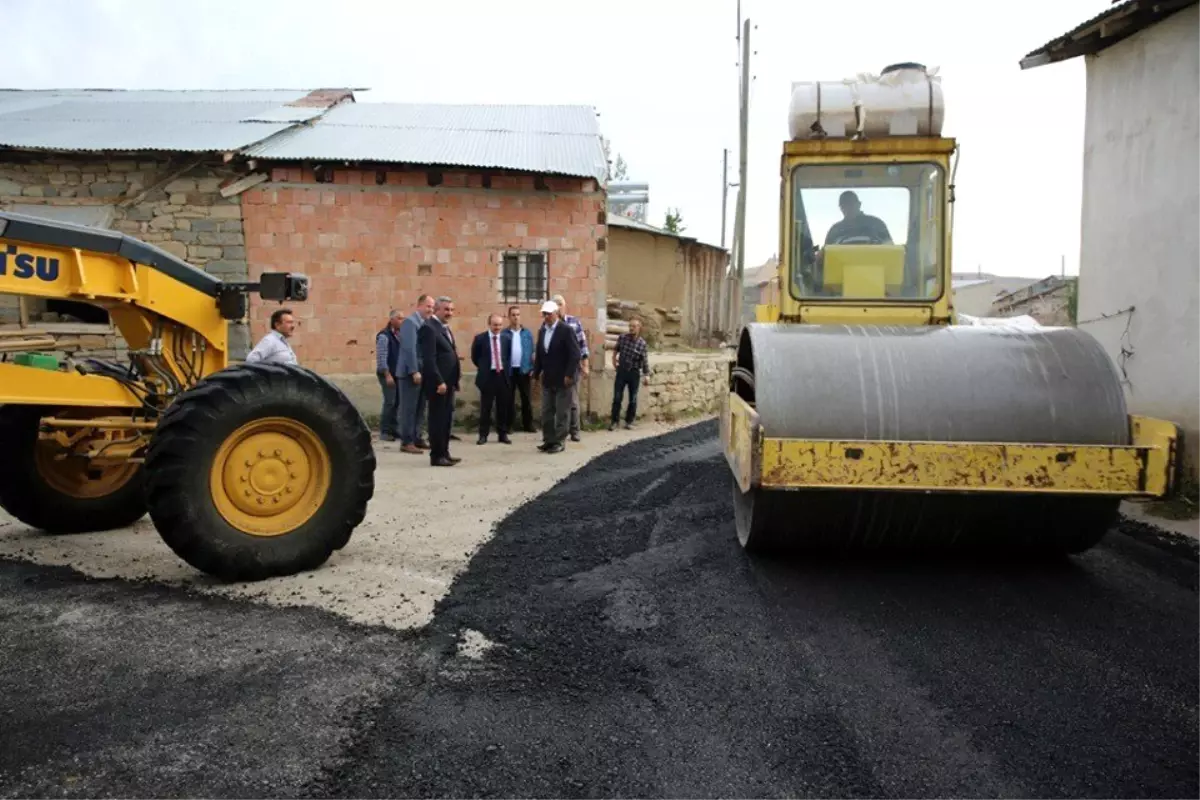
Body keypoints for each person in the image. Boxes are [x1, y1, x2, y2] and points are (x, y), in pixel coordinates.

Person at [418, 296, 461, 467]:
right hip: (438, 384)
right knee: (437, 420)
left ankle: (445, 452)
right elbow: (429, 359)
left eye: (451, 310)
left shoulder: (444, 328)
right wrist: (438, 381)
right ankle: (436, 456)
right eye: (446, 309)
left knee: (446, 420)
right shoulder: (429, 328)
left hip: (448, 382)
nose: (449, 313)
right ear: (436, 309)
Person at [532, 299, 580, 454]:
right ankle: (548, 440)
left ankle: (559, 441)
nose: (546, 317)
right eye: (544, 314)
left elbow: (575, 355)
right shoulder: (543, 330)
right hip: (548, 378)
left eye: (548, 314)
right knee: (546, 411)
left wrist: (569, 374)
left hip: (563, 379)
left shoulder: (566, 330)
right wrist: (536, 373)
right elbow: (540, 354)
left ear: (556, 314)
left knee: (562, 412)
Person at [398, 293, 435, 454]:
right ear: (419, 306)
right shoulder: (410, 323)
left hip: (421, 372)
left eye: (432, 307)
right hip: (410, 374)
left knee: (420, 407)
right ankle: (406, 441)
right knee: (409, 408)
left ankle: (417, 437)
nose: (430, 310)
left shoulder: (425, 324)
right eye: (428, 306)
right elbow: (409, 348)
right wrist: (414, 371)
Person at [551, 293, 589, 442]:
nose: (558, 307)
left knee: (572, 401)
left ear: (565, 306)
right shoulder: (549, 324)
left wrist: (585, 365)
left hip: (572, 368)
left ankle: (575, 431)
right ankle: (560, 431)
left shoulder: (574, 322)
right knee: (557, 401)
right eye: (556, 304)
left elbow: (583, 345)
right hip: (555, 369)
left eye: (560, 304)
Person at [470, 313, 512, 445]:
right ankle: (483, 435)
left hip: (502, 376)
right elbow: (475, 357)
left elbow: (507, 356)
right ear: (489, 324)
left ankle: (502, 434)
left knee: (503, 407)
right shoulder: (480, 339)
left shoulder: (506, 338)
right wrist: (483, 368)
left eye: (500, 325)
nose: (497, 327)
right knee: (485, 407)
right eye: (495, 325)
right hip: (487, 376)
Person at [609, 316, 650, 430]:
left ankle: (629, 421)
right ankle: (614, 421)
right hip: (621, 371)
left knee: (633, 398)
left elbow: (645, 361)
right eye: (630, 326)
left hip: (634, 373)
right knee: (617, 397)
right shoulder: (622, 338)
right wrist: (613, 360)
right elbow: (616, 350)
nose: (631, 328)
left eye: (634, 326)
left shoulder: (642, 344)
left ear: (639, 328)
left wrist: (647, 375)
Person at [502, 304, 535, 433]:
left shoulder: (527, 333)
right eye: (513, 315)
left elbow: (532, 351)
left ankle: (528, 425)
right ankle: (509, 425)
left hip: (524, 370)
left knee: (526, 398)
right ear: (509, 317)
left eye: (518, 315)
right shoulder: (504, 333)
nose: (516, 317)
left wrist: (532, 368)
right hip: (509, 371)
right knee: (508, 399)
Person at [374, 309, 404, 441]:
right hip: (387, 374)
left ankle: (394, 428)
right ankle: (385, 431)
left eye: (403, 318)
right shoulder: (384, 336)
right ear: (392, 320)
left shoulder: (400, 335)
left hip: (398, 373)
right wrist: (387, 375)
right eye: (399, 318)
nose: (402, 321)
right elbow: (382, 357)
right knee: (390, 402)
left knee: (398, 402)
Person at [824, 190, 893, 245]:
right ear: (841, 208)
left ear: (859, 204)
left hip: (873, 262)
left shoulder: (877, 224)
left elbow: (890, 248)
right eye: (844, 205)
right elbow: (825, 253)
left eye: (851, 204)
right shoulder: (835, 230)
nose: (848, 208)